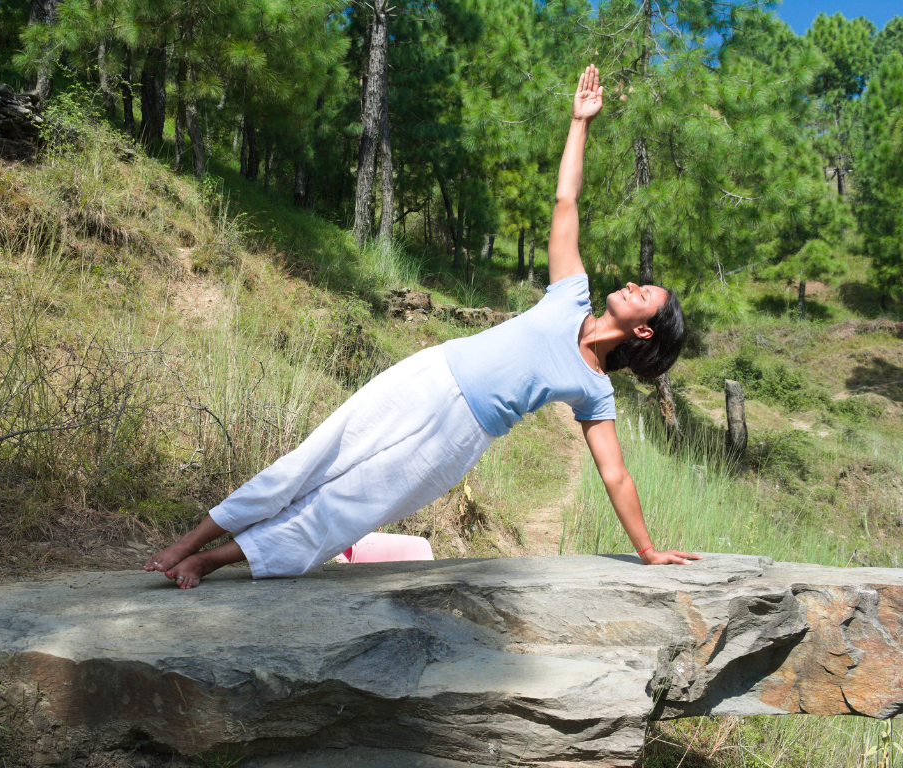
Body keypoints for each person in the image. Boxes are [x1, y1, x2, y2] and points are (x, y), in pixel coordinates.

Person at [145, 64, 702, 589]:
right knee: (315, 458)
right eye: (638, 283)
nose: (632, 284)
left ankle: (213, 560)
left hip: (459, 437)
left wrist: (649, 551)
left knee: (346, 510)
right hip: (431, 374)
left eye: (643, 295)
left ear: (645, 331)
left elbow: (616, 476)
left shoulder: (594, 388)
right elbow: (566, 200)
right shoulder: (569, 293)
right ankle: (189, 539)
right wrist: (580, 123)